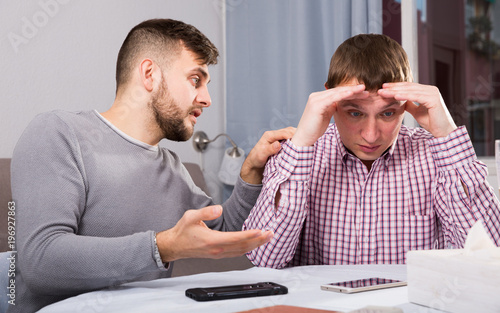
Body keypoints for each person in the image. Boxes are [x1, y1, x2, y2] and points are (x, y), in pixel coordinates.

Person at [10, 19, 294, 313]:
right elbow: (40, 260)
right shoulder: (59, 134)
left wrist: (250, 174)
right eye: (196, 79)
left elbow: (222, 232)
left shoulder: (172, 166)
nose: (207, 99)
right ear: (150, 75)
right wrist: (161, 247)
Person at [243, 34, 500, 268]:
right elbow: (265, 260)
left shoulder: (436, 156)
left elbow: (490, 258)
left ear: (406, 105)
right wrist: (302, 144)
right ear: (329, 100)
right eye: (354, 113)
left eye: (388, 113)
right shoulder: (295, 156)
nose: (370, 135)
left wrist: (447, 136)